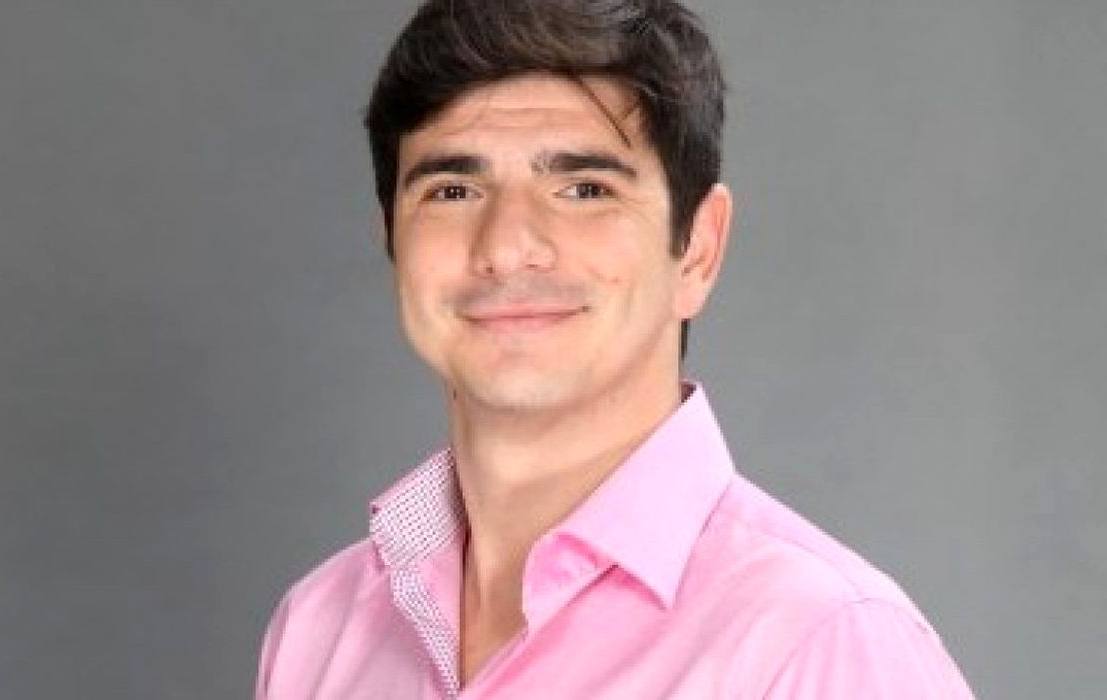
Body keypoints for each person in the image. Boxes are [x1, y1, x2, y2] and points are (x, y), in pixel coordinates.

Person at [255, 0, 974, 697]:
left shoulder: (820, 644)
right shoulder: (317, 632)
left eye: (584, 189)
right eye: (452, 191)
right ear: (391, 238)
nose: (506, 248)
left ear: (697, 249)